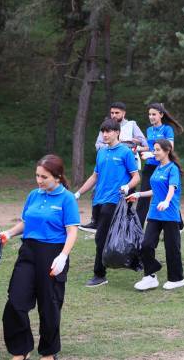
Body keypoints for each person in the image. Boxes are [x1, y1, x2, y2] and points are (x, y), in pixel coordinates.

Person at [0, 155, 79, 360]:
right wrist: (8, 233)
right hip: (28, 252)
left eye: (44, 177)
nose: (39, 180)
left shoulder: (67, 199)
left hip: (53, 254)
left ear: (58, 177)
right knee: (15, 301)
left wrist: (63, 256)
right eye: (37, 175)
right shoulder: (34, 195)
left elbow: (72, 231)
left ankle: (49, 352)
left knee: (49, 305)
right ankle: (21, 349)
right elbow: (26, 223)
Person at [74, 119, 140, 287]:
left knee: (101, 236)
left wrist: (127, 186)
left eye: (108, 131)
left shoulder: (125, 152)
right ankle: (135, 260)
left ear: (117, 132)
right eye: (103, 131)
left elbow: (136, 177)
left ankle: (99, 274)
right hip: (99, 200)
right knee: (114, 234)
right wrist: (79, 193)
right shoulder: (101, 152)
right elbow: (94, 176)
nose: (104, 134)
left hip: (114, 200)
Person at [127, 139, 184, 290]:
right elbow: (156, 190)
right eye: (154, 149)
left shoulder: (172, 169)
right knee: (146, 244)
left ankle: (177, 279)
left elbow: (172, 188)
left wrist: (166, 201)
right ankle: (150, 276)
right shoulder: (158, 168)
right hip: (154, 212)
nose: (155, 152)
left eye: (158, 149)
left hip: (170, 213)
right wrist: (139, 194)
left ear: (167, 151)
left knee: (172, 247)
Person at [81, 101, 147, 233]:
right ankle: (96, 222)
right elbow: (98, 145)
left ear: (123, 113)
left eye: (117, 112)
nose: (114, 115)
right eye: (112, 112)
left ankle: (126, 228)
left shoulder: (131, 125)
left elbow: (145, 145)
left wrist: (133, 144)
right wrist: (112, 145)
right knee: (98, 191)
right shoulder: (106, 127)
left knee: (126, 199)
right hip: (109, 162)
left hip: (128, 165)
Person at [135, 103, 184, 228]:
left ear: (161, 115)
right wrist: (138, 148)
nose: (151, 117)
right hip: (150, 167)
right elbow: (151, 147)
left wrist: (151, 154)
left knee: (166, 194)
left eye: (154, 114)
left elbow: (170, 147)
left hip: (164, 167)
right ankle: (138, 229)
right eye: (149, 114)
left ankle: (178, 223)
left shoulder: (167, 129)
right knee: (143, 197)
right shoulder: (149, 130)